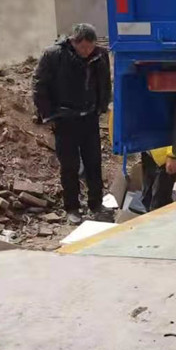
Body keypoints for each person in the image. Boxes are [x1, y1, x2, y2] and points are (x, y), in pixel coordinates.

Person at [33, 23, 112, 224]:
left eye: (90, 47)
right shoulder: (54, 56)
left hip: (89, 117)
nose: (87, 52)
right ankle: (72, 207)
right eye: (83, 47)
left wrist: (102, 106)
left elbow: (105, 82)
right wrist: (48, 115)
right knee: (70, 166)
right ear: (73, 42)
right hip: (65, 119)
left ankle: (96, 204)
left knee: (94, 163)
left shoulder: (100, 55)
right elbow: (39, 85)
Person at [140, 147, 176, 212]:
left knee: (160, 203)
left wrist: (173, 156)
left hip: (165, 158)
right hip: (150, 152)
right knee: (147, 198)